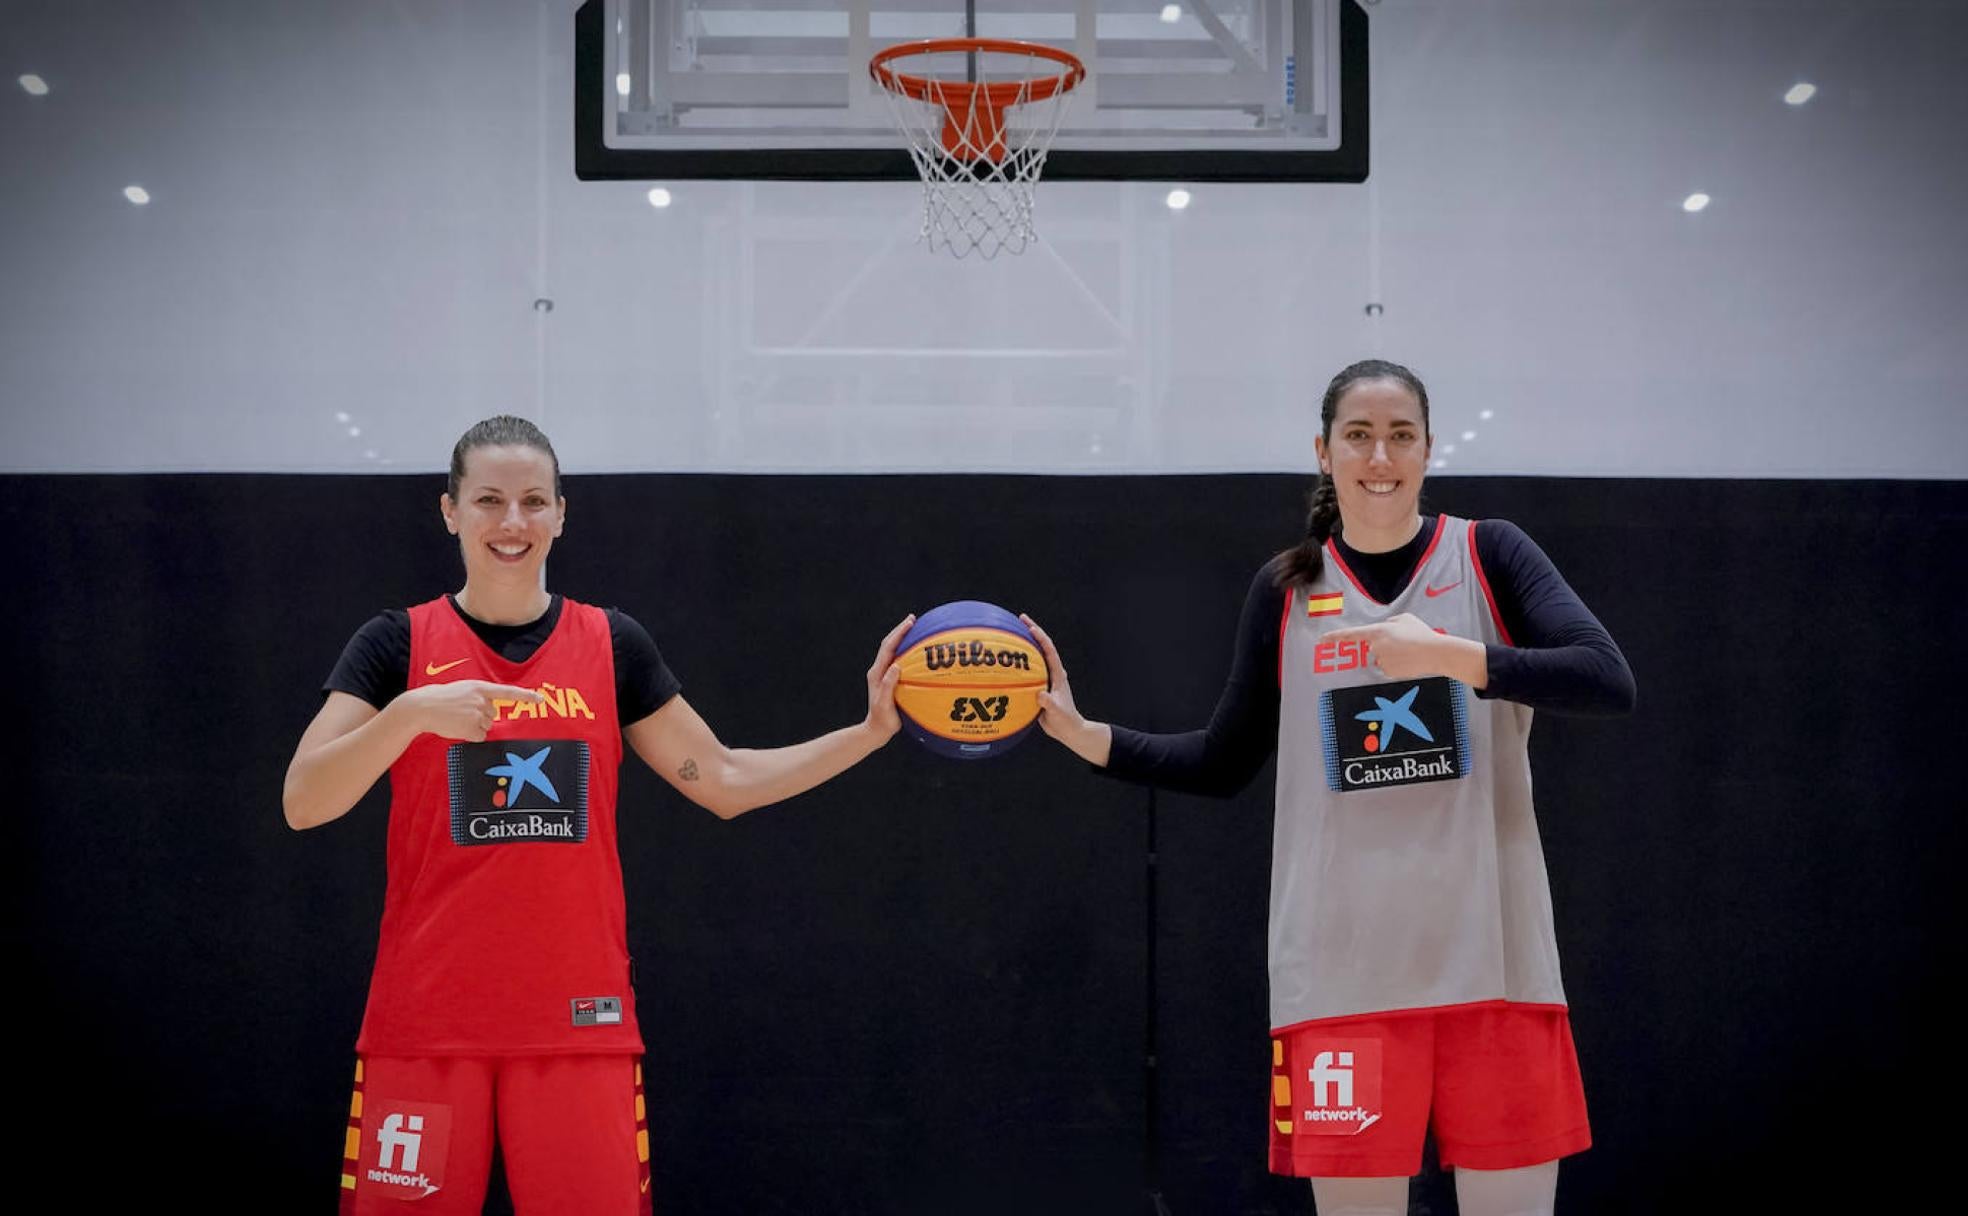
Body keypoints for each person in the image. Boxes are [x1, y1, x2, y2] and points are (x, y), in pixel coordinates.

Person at [1022, 360, 1635, 1216]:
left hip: (1497, 969)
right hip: (1344, 981)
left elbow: (1607, 678)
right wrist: (1088, 737)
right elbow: (1222, 760)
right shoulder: (1286, 589)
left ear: (1428, 451)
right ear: (1323, 451)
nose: (1379, 454)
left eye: (1401, 435)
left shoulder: (1488, 552)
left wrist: (1450, 657)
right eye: (1359, 434)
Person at [283, 415, 911, 1215]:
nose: (512, 523)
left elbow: (720, 777)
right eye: (489, 501)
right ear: (450, 510)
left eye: (533, 501)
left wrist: (867, 734)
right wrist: (408, 715)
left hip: (580, 1026)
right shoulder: (395, 645)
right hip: (426, 1024)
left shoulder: (610, 643)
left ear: (561, 513)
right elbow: (304, 802)